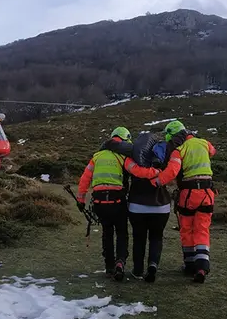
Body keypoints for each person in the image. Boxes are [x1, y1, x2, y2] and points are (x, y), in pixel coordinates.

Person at [76, 127, 161, 281]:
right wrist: (156, 172)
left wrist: (81, 200)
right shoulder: (122, 157)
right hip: (117, 201)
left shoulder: (97, 156)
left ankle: (109, 267)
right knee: (121, 233)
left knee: (107, 233)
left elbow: (84, 179)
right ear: (124, 140)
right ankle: (120, 263)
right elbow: (138, 171)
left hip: (99, 202)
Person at [149, 120, 217, 284]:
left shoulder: (178, 150)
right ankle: (202, 267)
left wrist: (156, 181)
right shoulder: (204, 143)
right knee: (202, 229)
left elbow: (172, 172)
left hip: (189, 194)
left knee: (187, 228)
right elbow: (212, 151)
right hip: (208, 193)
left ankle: (190, 264)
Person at [123, 131, 172, 283]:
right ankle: (153, 265)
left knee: (139, 238)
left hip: (137, 206)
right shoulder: (163, 157)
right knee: (156, 237)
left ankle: (138, 270)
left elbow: (128, 168)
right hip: (161, 206)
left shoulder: (131, 158)